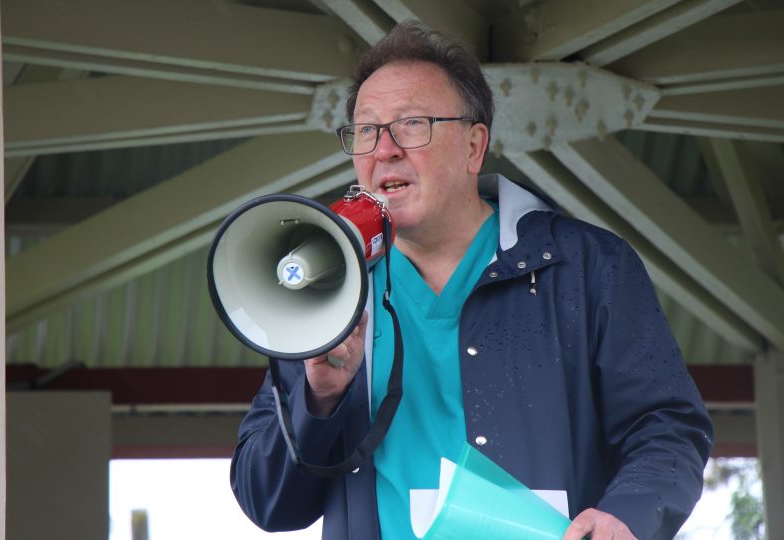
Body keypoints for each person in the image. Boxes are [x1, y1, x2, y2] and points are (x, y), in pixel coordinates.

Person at [230, 21, 713, 540]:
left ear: (473, 146)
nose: (384, 149)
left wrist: (628, 514)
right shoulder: (327, 290)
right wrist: (317, 399)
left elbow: (666, 426)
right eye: (366, 130)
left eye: (412, 124)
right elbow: (267, 502)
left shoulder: (587, 266)